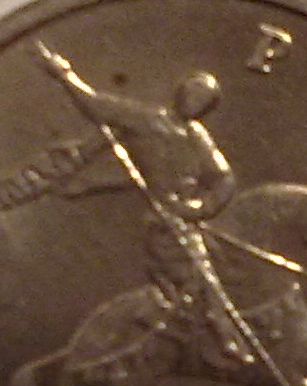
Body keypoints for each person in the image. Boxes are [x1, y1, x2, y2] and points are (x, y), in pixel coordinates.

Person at [37, 43, 253, 365]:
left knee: (222, 269)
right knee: (200, 275)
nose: (195, 101)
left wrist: (199, 208)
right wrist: (64, 74)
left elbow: (225, 179)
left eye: (203, 100)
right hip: (162, 222)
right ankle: (217, 336)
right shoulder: (145, 120)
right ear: (181, 91)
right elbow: (96, 105)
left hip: (185, 217)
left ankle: (203, 328)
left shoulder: (198, 137)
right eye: (194, 92)